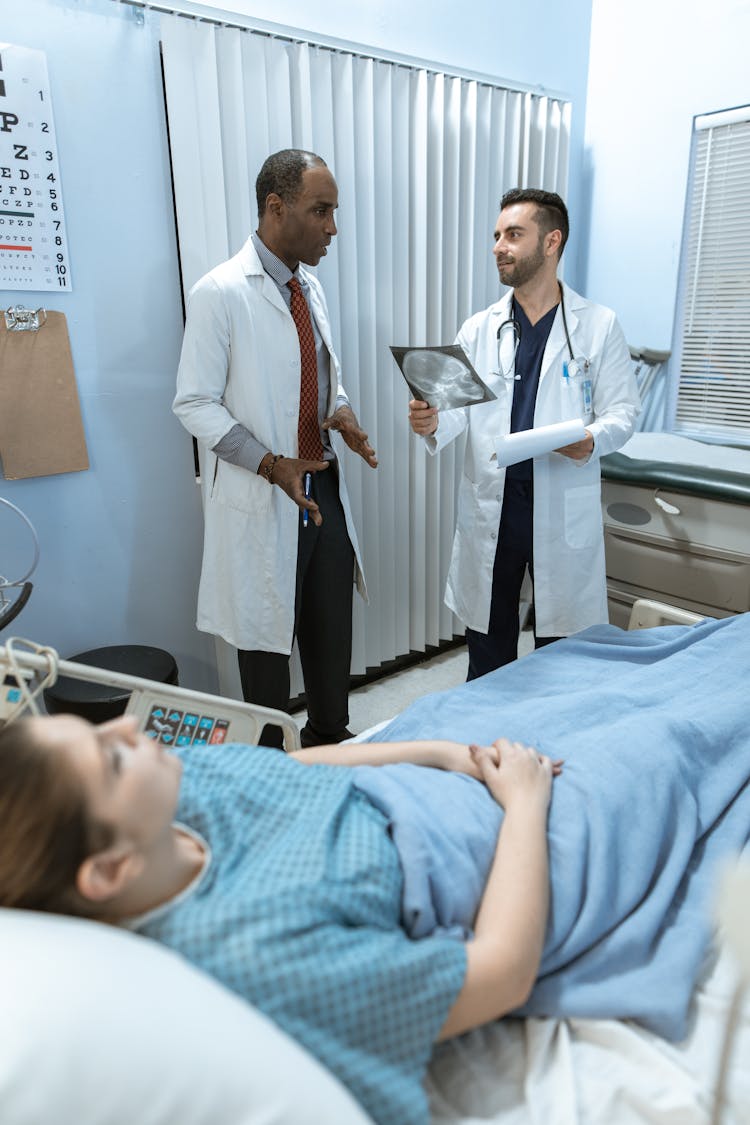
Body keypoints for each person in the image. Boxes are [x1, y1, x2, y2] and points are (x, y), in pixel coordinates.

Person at [0, 712, 559, 1125]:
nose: (127, 725)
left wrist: (440, 752)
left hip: (437, 776)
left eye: (98, 727)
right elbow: (502, 972)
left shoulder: (166, 799)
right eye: (112, 759)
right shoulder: (256, 953)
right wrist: (525, 801)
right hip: (481, 838)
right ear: (110, 870)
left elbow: (287, 766)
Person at [173, 149, 377, 747]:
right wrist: (269, 463)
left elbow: (316, 376)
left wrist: (340, 413)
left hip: (323, 488)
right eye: (321, 211)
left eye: (334, 211)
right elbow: (194, 403)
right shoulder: (220, 292)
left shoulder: (309, 287)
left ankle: (329, 741)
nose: (332, 228)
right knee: (266, 650)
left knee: (329, 628)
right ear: (275, 207)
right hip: (266, 494)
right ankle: (267, 763)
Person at [409, 188, 641, 679]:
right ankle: (488, 746)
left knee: (563, 655)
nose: (498, 246)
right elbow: (456, 412)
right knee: (488, 650)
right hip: (496, 506)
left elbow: (623, 414)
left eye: (513, 234)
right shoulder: (479, 328)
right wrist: (431, 421)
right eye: (497, 236)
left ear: (551, 241)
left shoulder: (598, 326)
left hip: (560, 503)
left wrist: (592, 439)